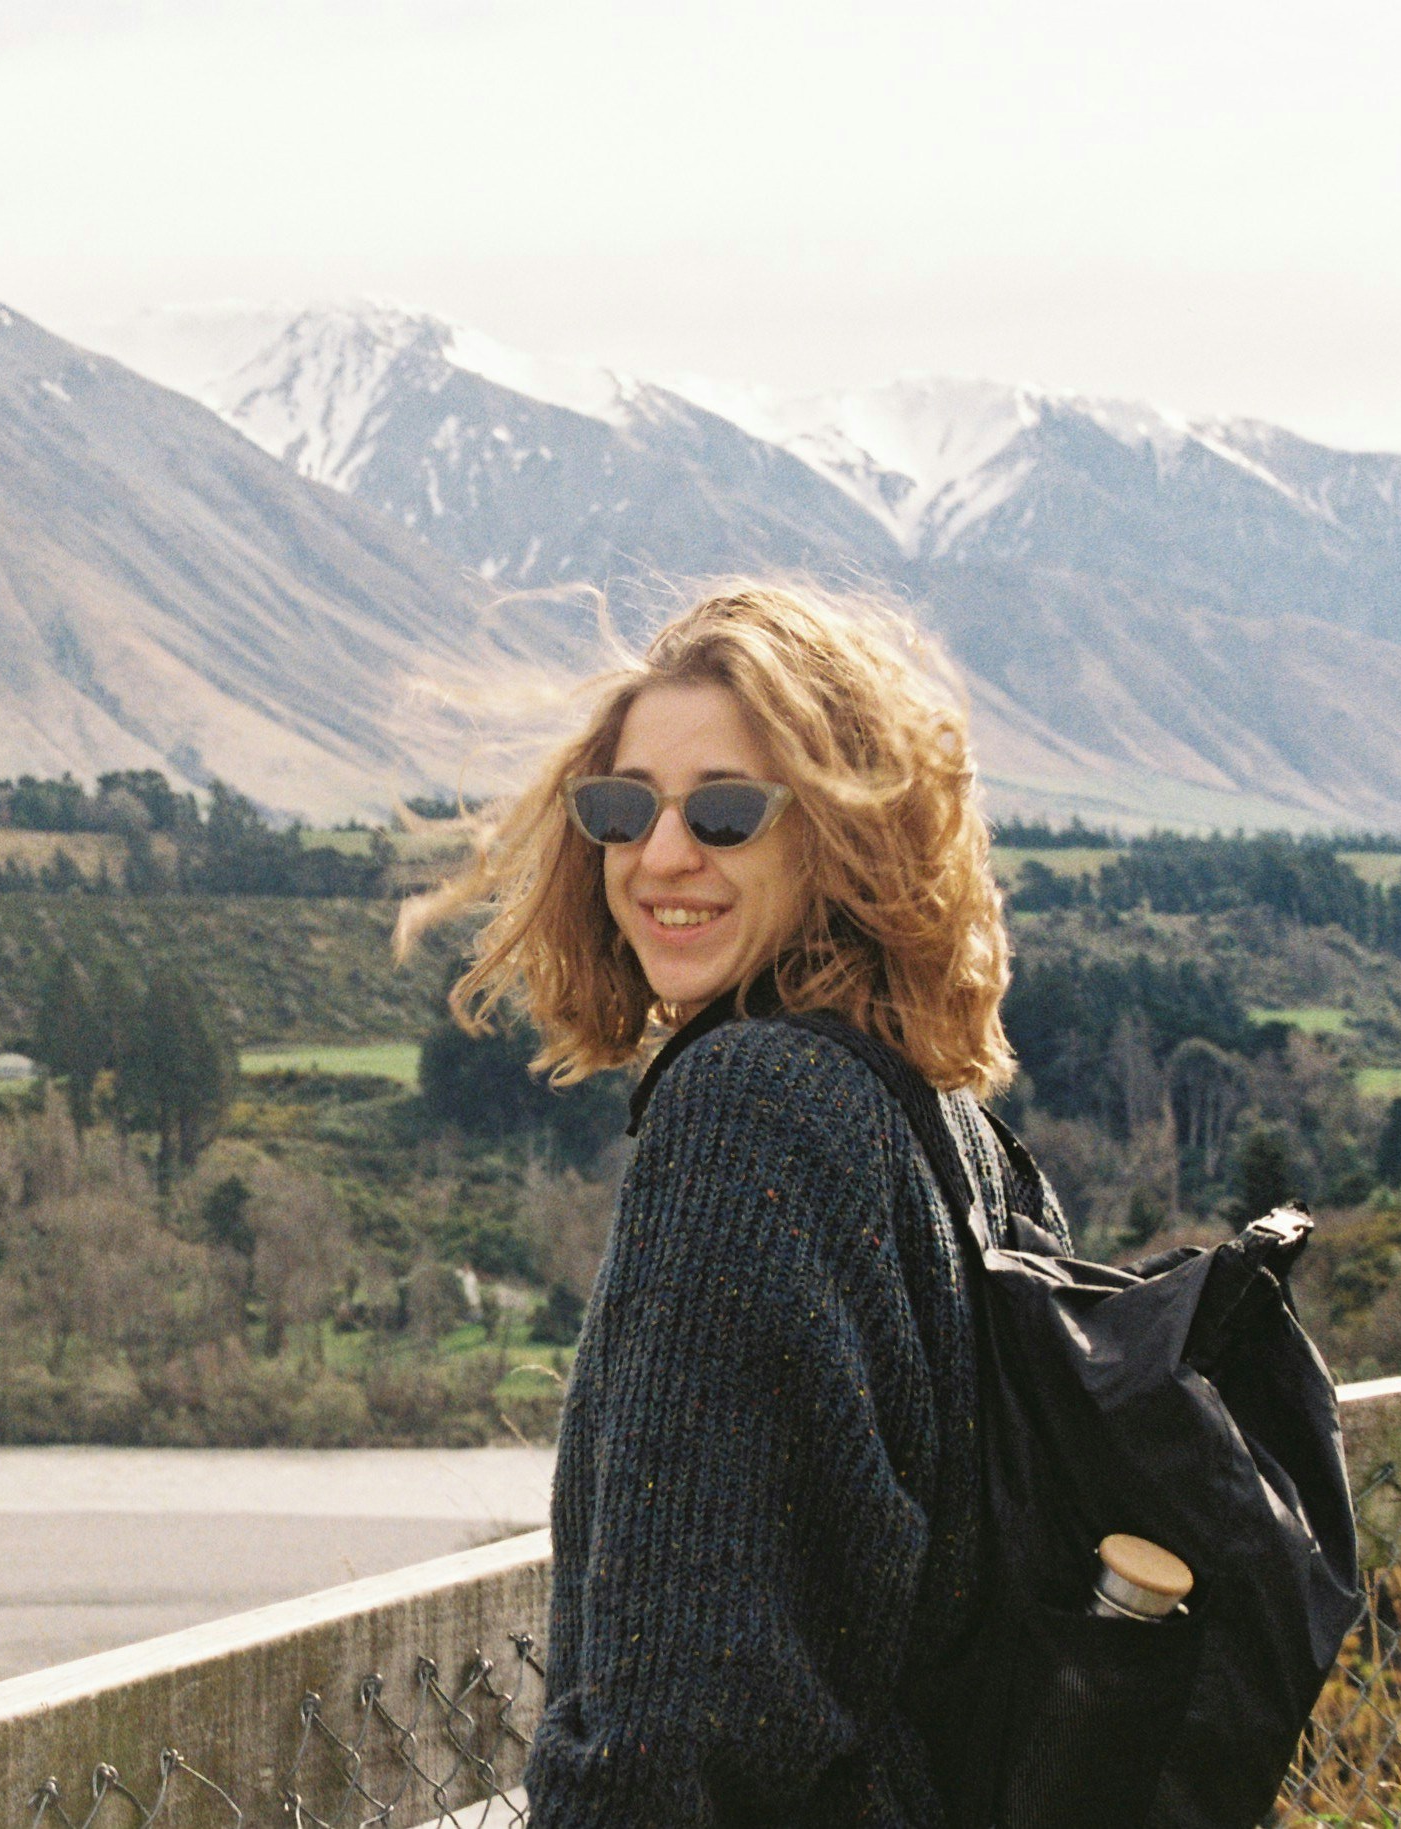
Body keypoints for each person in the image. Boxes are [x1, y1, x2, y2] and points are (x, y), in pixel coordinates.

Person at [400, 583, 1069, 1826]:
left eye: (724, 809)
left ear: (842, 833)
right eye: (621, 807)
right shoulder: (949, 1128)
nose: (659, 855)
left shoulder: (746, 1110)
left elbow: (675, 1717)